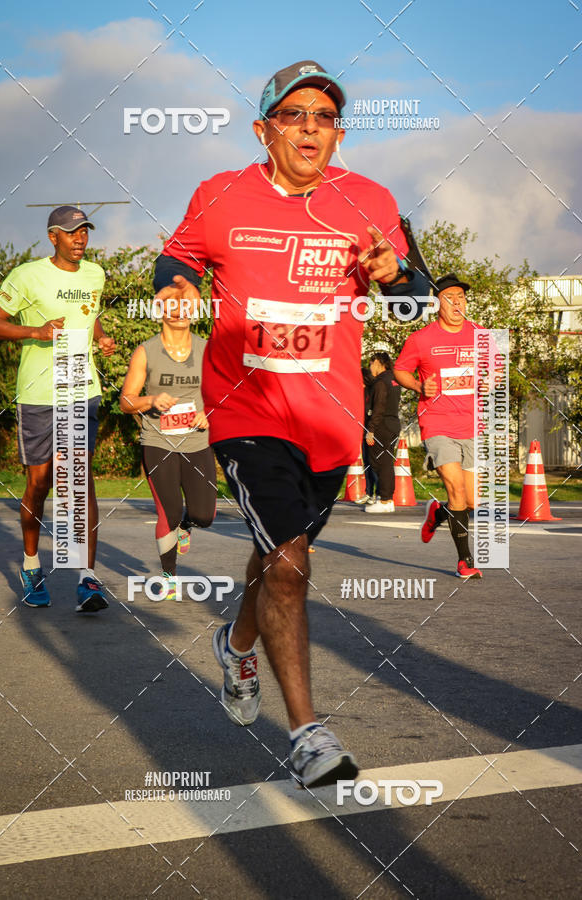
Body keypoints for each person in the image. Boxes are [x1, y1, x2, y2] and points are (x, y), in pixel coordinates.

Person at [153, 60, 429, 787]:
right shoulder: (221, 194)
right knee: (291, 564)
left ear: (338, 133)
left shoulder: (370, 200)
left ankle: (237, 644)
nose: (311, 127)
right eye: (294, 114)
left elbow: (416, 299)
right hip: (247, 408)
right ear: (264, 128)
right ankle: (309, 734)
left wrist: (396, 277)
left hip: (330, 421)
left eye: (325, 117)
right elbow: (175, 259)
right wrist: (177, 286)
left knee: (281, 555)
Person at [0, 206, 115, 611]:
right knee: (39, 484)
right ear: (53, 236)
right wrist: (36, 332)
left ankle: (86, 579)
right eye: (72, 233)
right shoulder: (26, 275)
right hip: (40, 393)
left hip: (81, 387)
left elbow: (87, 316)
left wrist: (102, 334)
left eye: (84, 232)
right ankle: (31, 564)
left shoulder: (96, 275)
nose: (80, 239)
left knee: (79, 481)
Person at [119, 299, 216, 596]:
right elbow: (126, 400)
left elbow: (227, 394)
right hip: (158, 441)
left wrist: (210, 413)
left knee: (205, 515)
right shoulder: (145, 351)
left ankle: (187, 525)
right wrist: (150, 401)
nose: (180, 312)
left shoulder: (207, 349)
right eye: (172, 306)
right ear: (160, 311)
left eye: (186, 306)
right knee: (169, 511)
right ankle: (169, 575)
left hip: (198, 441)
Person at [394, 273, 482, 579]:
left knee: (471, 500)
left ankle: (438, 512)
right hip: (437, 423)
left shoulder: (480, 335)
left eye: (462, 297)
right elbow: (400, 370)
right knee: (455, 487)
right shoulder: (421, 339)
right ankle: (465, 560)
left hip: (473, 425)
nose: (458, 302)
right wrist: (420, 387)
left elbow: (495, 369)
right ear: (436, 303)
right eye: (450, 297)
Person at [365, 351, 401, 513]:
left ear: (378, 362)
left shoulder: (380, 383)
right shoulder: (393, 380)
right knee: (386, 462)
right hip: (393, 423)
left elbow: (378, 408)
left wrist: (370, 430)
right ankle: (387, 499)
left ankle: (385, 500)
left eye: (371, 363)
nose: (370, 367)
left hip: (382, 425)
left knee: (380, 463)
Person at [360, 366, 379, 504]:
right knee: (366, 462)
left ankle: (378, 493)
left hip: (372, 431)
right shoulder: (359, 392)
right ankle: (368, 491)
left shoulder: (372, 391)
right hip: (362, 429)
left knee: (374, 462)